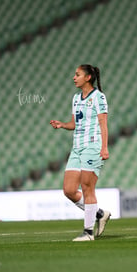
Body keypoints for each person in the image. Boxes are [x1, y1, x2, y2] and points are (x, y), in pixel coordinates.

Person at [50, 64, 111, 241]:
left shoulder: (99, 97)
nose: (73, 77)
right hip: (77, 148)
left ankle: (88, 232)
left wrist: (104, 147)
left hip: (92, 146)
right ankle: (100, 214)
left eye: (77, 74)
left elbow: (103, 124)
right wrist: (62, 125)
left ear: (88, 78)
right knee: (69, 190)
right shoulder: (76, 98)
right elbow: (75, 124)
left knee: (87, 188)